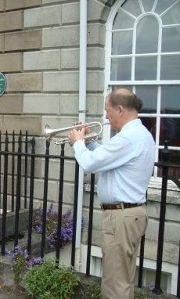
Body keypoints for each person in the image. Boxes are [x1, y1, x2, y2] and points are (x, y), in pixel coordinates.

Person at [68, 88, 155, 299]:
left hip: (121, 218)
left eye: (108, 111)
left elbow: (89, 163)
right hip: (129, 215)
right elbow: (107, 158)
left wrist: (78, 143)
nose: (106, 116)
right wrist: (89, 141)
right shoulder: (139, 134)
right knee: (122, 279)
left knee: (114, 284)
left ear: (120, 109)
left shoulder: (128, 138)